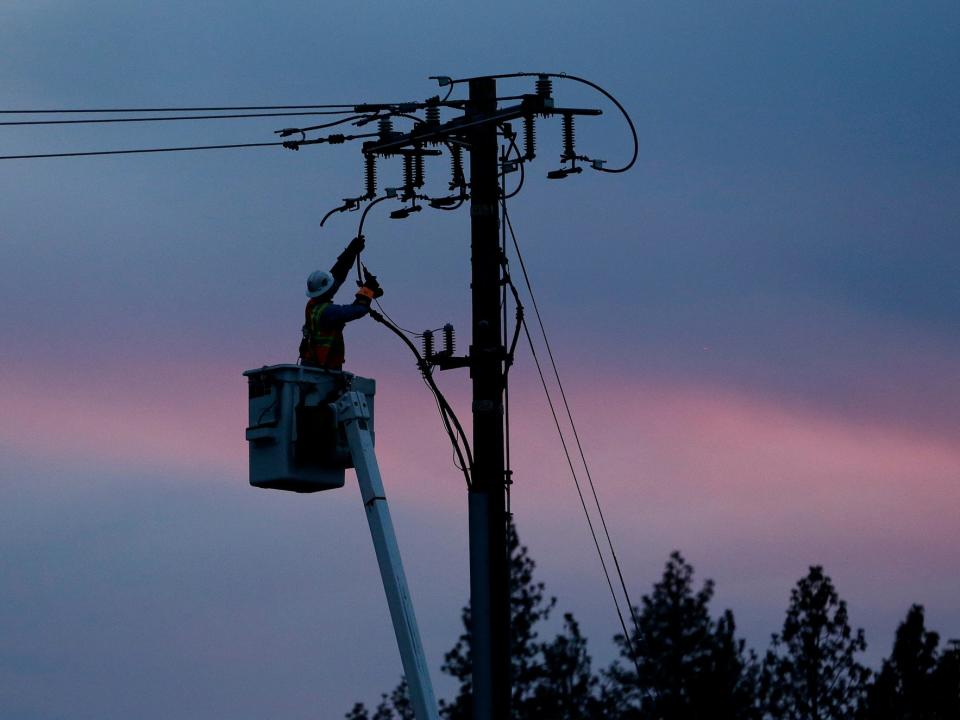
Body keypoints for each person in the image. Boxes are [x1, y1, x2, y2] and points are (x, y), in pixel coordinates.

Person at [298, 235, 383, 370]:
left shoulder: (312, 305)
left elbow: (337, 275)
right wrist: (368, 290)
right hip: (323, 367)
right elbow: (357, 310)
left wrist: (350, 252)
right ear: (325, 291)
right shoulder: (328, 312)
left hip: (312, 364)